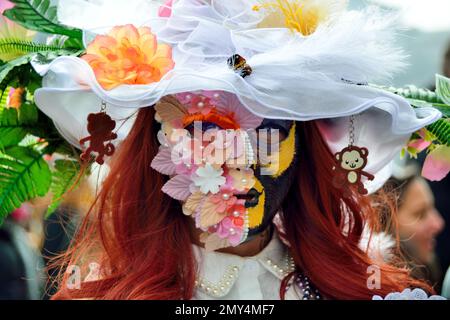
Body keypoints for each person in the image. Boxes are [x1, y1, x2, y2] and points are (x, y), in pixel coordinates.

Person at [15, 0, 450, 300]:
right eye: (204, 133)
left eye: (270, 134)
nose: (238, 161)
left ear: (304, 150)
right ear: (156, 148)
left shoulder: (354, 285)